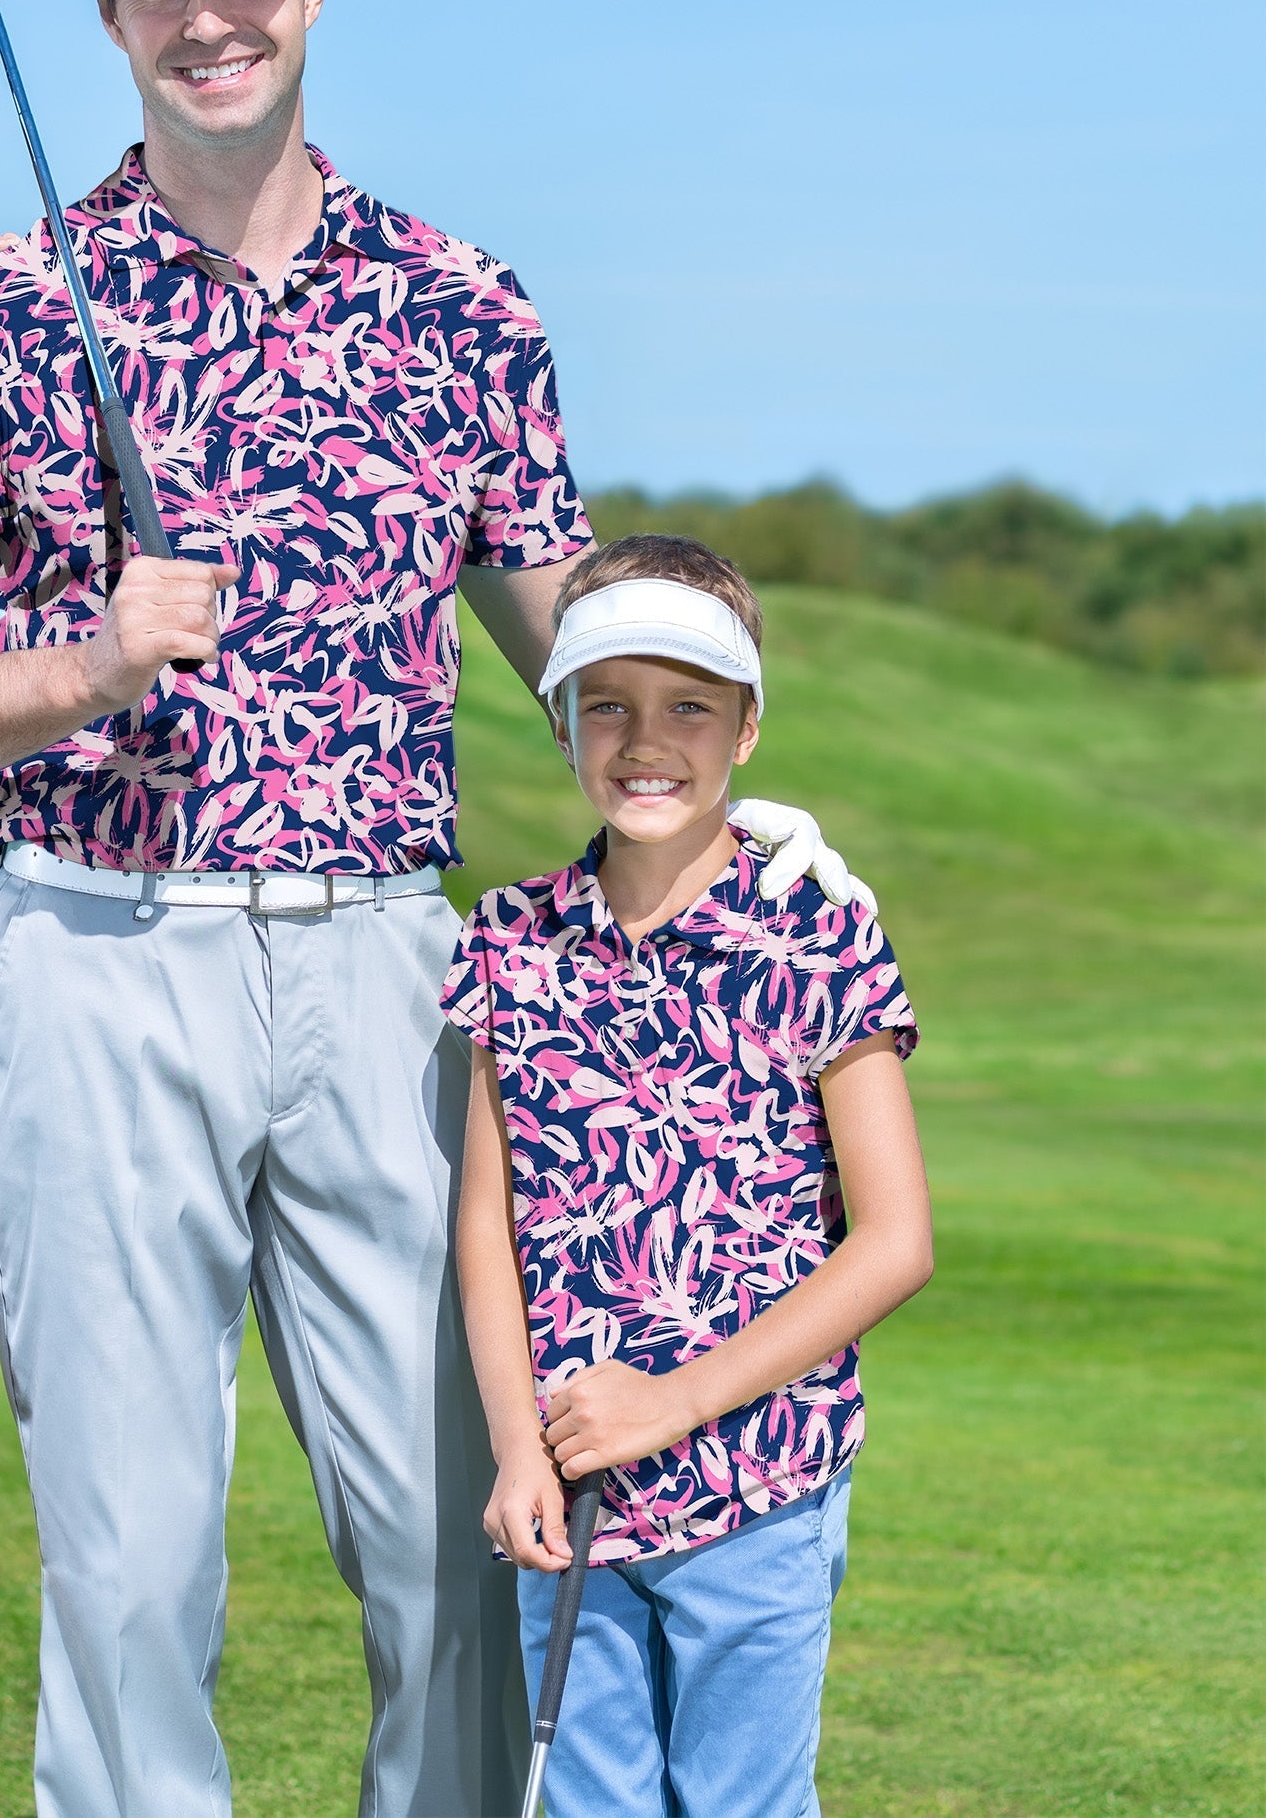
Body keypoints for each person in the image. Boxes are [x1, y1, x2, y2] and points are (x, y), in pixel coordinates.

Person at [0, 0, 859, 1816]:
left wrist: (727, 788)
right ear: (109, 13)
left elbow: (568, 636)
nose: (208, 18)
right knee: (131, 1567)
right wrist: (81, 667)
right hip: (96, 947)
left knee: (462, 1536)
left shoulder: (463, 306)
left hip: (388, 965)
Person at [447, 534, 935, 1818]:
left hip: (761, 1479)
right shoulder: (509, 939)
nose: (645, 740)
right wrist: (516, 1450)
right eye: (606, 704)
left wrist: (672, 1404)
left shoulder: (819, 932)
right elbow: (486, 1228)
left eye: (689, 708)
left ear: (747, 729)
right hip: (571, 1488)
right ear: (560, 720)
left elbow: (895, 1241)